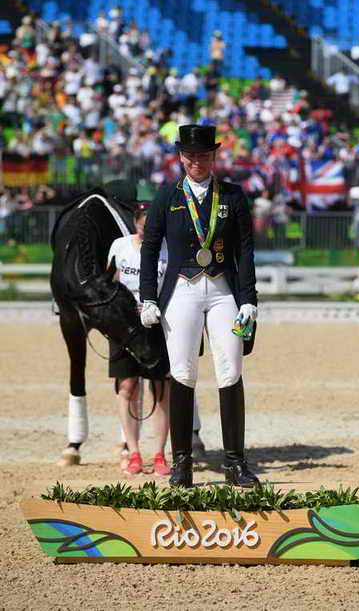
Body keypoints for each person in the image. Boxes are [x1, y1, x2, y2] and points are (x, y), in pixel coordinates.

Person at [140, 124, 259, 488]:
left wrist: (249, 299)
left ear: (213, 156)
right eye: (190, 156)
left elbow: (245, 249)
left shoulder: (233, 195)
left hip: (223, 290)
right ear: (181, 157)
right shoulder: (167, 196)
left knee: (230, 370)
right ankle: (182, 463)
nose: (197, 162)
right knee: (182, 372)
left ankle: (235, 463)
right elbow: (150, 247)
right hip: (182, 290)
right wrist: (147, 296)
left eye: (204, 155)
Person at [107, 204, 171, 476]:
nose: (146, 230)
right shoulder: (119, 246)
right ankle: (133, 451)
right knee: (127, 386)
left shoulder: (168, 248)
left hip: (156, 322)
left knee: (160, 388)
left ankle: (159, 454)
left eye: (151, 226)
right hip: (124, 324)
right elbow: (109, 281)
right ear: (135, 224)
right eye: (143, 226)